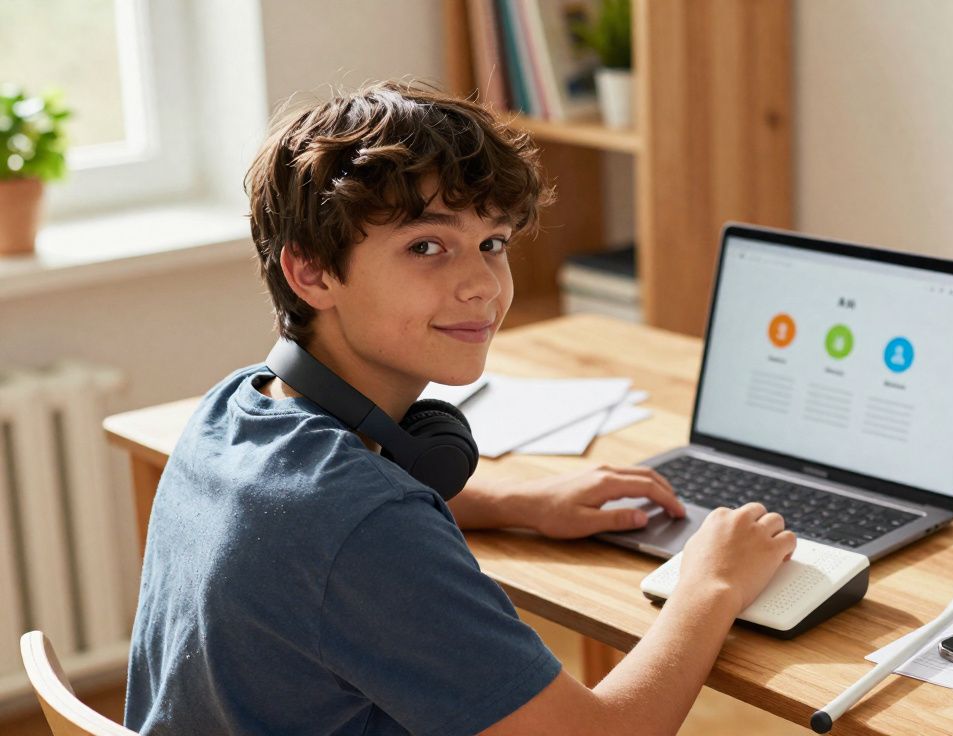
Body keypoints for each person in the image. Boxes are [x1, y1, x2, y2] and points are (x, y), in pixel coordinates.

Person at [125, 80, 795, 735]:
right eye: (426, 247)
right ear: (311, 272)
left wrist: (519, 504)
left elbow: (333, 526)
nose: (481, 286)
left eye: (492, 244)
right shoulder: (365, 526)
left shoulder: (237, 408)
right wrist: (710, 587)